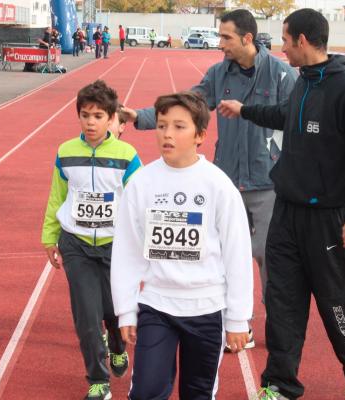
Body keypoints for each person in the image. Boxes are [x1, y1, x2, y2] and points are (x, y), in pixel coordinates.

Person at [217, 9, 345, 400]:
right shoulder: (303, 83)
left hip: (328, 219)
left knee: (335, 303)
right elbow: (283, 116)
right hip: (287, 213)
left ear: (303, 41)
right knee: (283, 301)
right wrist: (245, 110)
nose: (281, 47)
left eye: (286, 39)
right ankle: (280, 384)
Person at [120, 8, 297, 350]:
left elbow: (294, 119)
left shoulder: (281, 75)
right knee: (220, 253)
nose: (220, 44)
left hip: (267, 183)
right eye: (220, 37)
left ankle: (277, 329)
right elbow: (188, 103)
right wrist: (140, 117)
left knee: (266, 256)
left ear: (248, 38)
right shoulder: (218, 74)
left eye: (226, 37)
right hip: (226, 181)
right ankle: (237, 325)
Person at [111, 91, 253, 400]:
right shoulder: (141, 183)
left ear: (200, 135)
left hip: (206, 308)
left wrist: (238, 318)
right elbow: (126, 251)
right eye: (162, 126)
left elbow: (237, 254)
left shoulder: (218, 186)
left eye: (178, 127)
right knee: (146, 391)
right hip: (156, 306)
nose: (167, 134)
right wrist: (125, 311)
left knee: (197, 393)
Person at [41, 80, 141, 400]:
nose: (91, 122)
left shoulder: (127, 155)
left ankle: (117, 345)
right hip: (77, 244)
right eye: (85, 115)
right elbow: (57, 196)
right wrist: (49, 237)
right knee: (86, 314)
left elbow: (138, 200)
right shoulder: (66, 152)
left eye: (98, 116)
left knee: (113, 311)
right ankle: (98, 379)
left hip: (116, 245)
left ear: (112, 118)